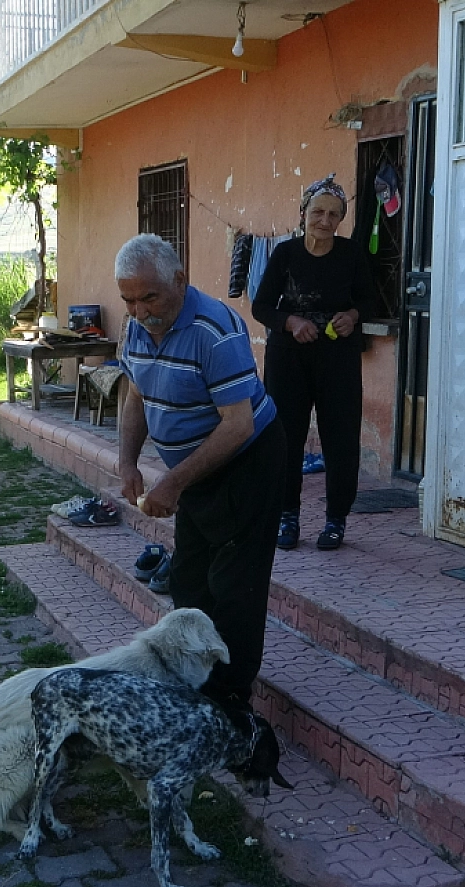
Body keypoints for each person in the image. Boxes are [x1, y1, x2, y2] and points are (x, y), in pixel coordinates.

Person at [114, 234, 285, 707]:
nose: (139, 310)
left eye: (150, 296)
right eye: (128, 299)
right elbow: (136, 397)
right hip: (195, 472)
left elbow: (237, 427)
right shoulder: (134, 328)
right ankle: (196, 679)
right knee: (189, 579)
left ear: (180, 281)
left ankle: (230, 701)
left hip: (246, 461)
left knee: (234, 587)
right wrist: (128, 463)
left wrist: (172, 481)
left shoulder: (215, 329)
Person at [252, 174, 379, 551]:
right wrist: (291, 322)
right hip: (288, 357)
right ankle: (287, 516)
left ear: (341, 220)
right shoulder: (285, 255)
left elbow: (371, 301)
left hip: (337, 357)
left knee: (340, 437)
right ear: (304, 212)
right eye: (318, 212)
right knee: (284, 437)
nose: (325, 221)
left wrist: (352, 316)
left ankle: (336, 519)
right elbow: (261, 307)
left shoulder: (351, 254)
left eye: (334, 214)